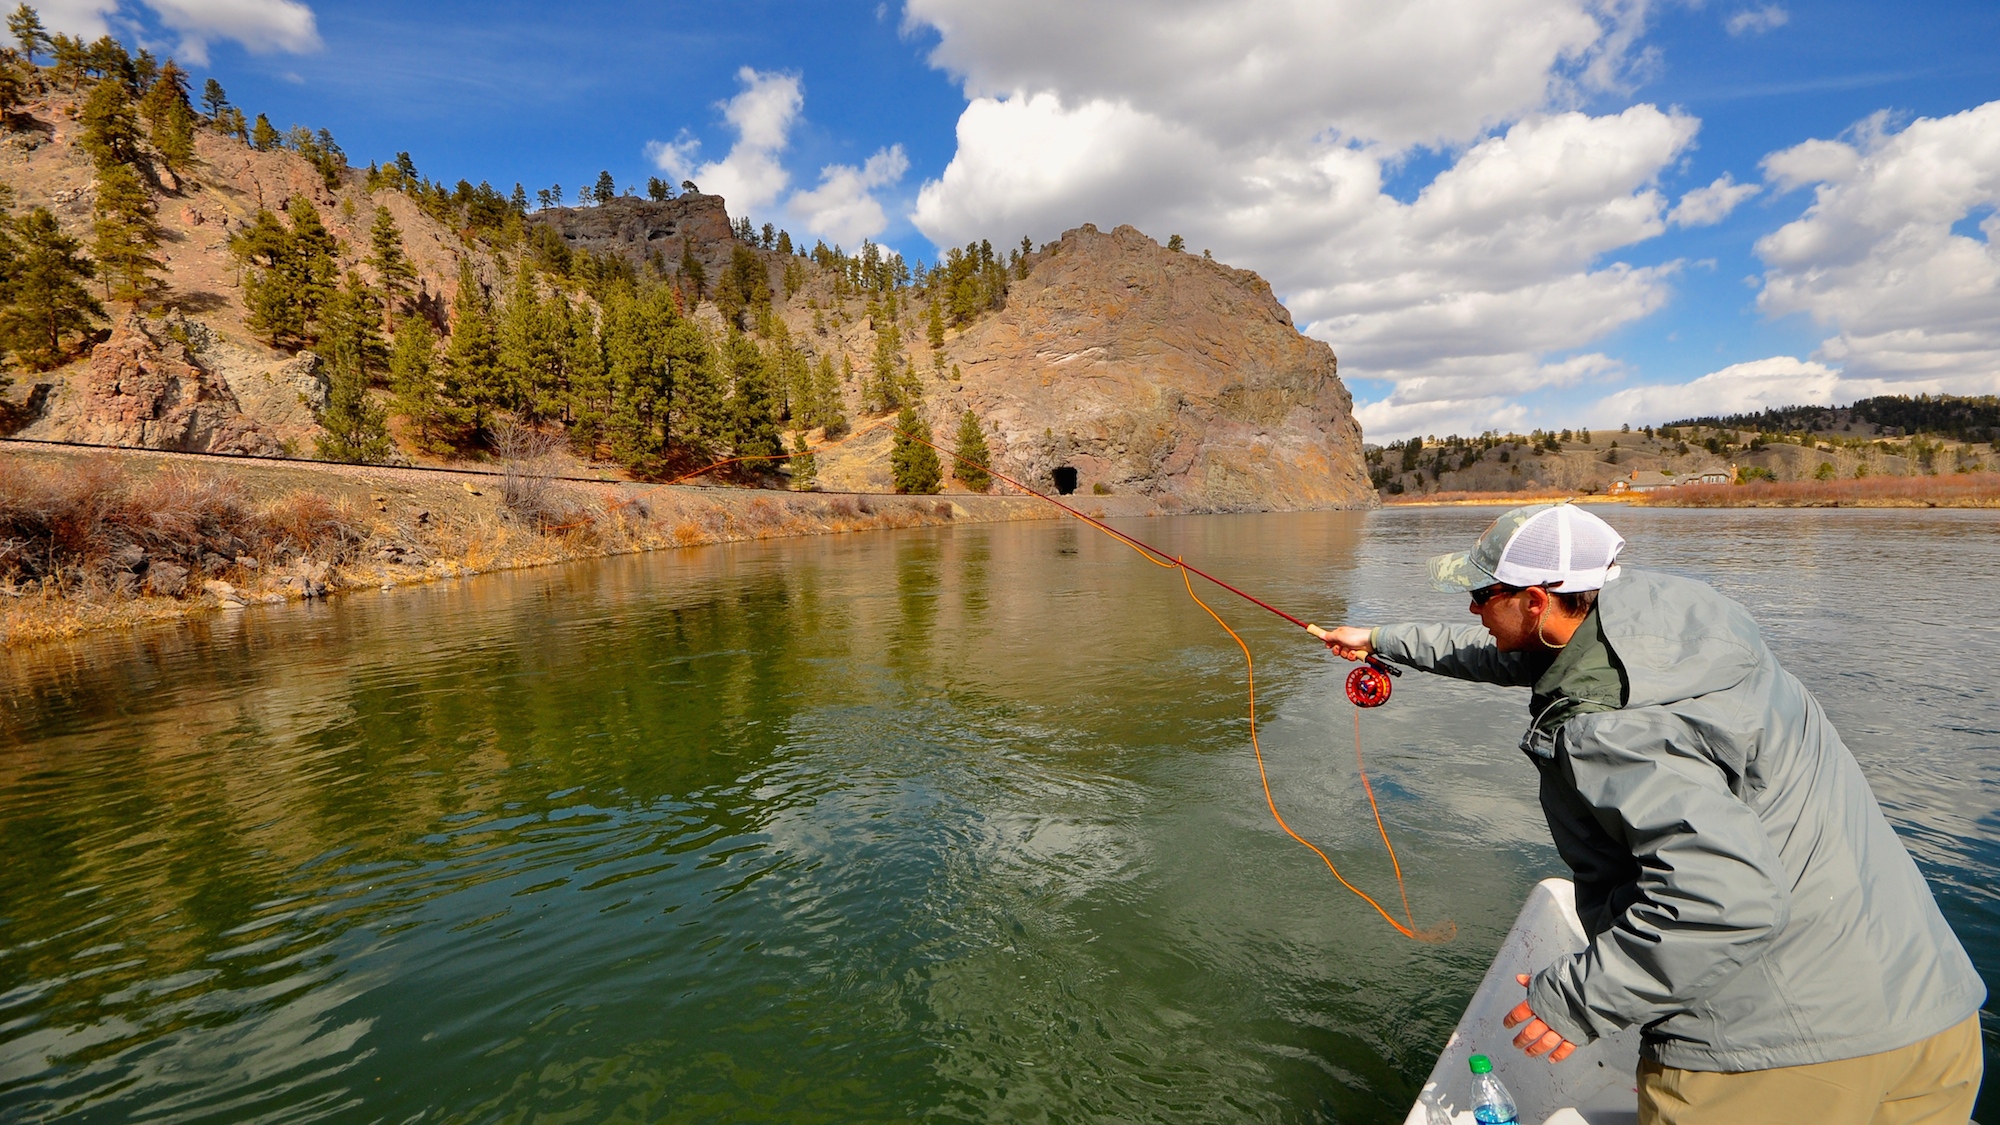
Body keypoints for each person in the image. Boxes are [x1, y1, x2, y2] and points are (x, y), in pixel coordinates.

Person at [1309, 503, 1984, 1125]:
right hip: (1927, 1017)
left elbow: (1729, 902)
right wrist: (1383, 640)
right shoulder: (1675, 627)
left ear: (1537, 600)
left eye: (1484, 594)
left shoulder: (1609, 726)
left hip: (1776, 1054)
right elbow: (1519, 654)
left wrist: (1574, 999)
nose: (1472, 605)